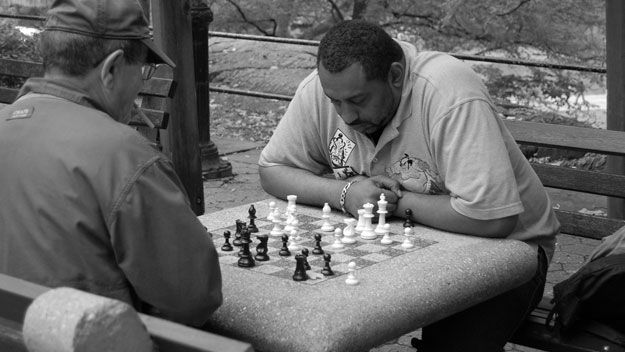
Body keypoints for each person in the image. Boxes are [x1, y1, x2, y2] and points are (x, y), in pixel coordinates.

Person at [259, 20, 560, 351]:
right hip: (405, 248)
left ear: (396, 75)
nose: (346, 115)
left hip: (512, 253)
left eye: (358, 100)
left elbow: (492, 218)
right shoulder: (324, 88)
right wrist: (346, 193)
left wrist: (387, 203)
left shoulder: (448, 91)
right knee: (305, 319)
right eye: (335, 101)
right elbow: (272, 169)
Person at [0, 0, 222, 327]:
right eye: (144, 70)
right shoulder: (125, 158)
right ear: (112, 68)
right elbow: (194, 297)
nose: (140, 87)